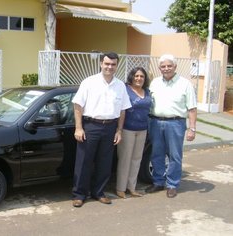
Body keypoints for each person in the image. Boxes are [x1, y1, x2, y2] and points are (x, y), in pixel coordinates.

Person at [71, 52, 131, 207]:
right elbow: (78, 105)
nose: (109, 67)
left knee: (105, 163)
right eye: (107, 64)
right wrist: (79, 128)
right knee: (84, 162)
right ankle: (79, 194)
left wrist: (119, 130)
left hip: (110, 127)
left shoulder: (120, 86)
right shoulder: (89, 82)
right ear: (101, 64)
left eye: (113, 64)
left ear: (117, 65)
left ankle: (99, 192)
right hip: (91, 126)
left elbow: (123, 110)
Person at [145, 54, 197, 198]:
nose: (166, 68)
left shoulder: (185, 84)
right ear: (159, 68)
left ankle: (172, 184)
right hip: (155, 122)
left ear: (175, 67)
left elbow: (192, 108)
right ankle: (158, 182)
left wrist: (192, 128)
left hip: (176, 123)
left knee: (175, 155)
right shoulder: (154, 82)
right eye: (163, 66)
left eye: (169, 66)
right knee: (156, 154)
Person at [116, 67, 151, 199]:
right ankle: (120, 188)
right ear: (132, 77)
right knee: (125, 159)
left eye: (141, 76)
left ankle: (132, 187)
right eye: (136, 76)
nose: (139, 78)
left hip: (142, 130)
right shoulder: (126, 90)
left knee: (137, 160)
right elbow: (120, 109)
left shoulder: (146, 91)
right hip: (127, 129)